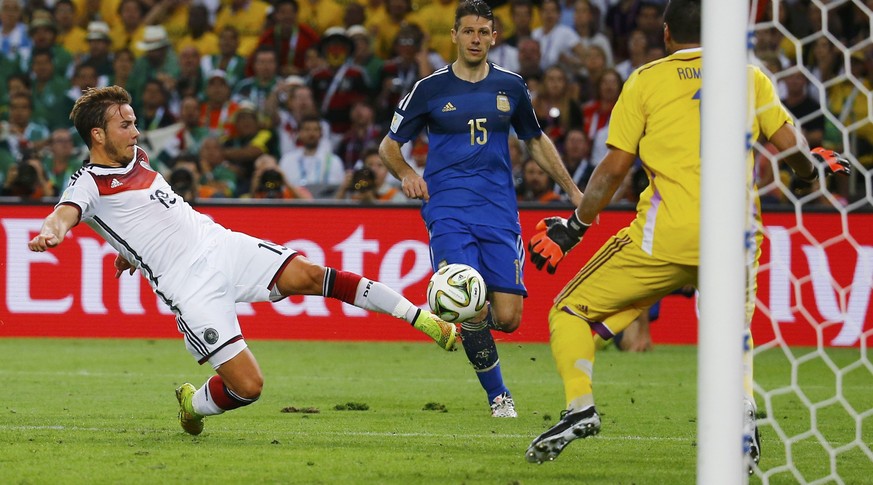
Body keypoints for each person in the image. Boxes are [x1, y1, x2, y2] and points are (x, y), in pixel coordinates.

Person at [523, 0, 851, 469]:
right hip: (735, 236)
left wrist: (576, 226)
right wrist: (809, 173)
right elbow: (792, 148)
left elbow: (614, 169)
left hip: (666, 238)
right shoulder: (749, 77)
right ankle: (741, 419)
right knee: (733, 332)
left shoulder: (645, 80)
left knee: (569, 309)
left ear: (665, 33)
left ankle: (580, 407)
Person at [27, 85, 457, 437]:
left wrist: (128, 252)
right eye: (126, 125)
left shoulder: (136, 157)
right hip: (190, 287)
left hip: (221, 244)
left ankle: (420, 318)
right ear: (98, 136)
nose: (136, 133)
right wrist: (53, 231)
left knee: (312, 273)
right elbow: (66, 213)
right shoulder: (87, 182)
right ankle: (193, 404)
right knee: (249, 387)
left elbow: (144, 214)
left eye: (135, 122)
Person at [379, 0, 583, 418]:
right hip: (448, 209)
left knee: (507, 318)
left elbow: (535, 139)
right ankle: (499, 396)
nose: (475, 39)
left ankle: (455, 324)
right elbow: (389, 147)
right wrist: (406, 173)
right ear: (454, 35)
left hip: (499, 210)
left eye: (483, 32)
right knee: (470, 301)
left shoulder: (511, 85)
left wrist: (573, 191)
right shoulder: (429, 89)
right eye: (468, 31)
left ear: (494, 37)